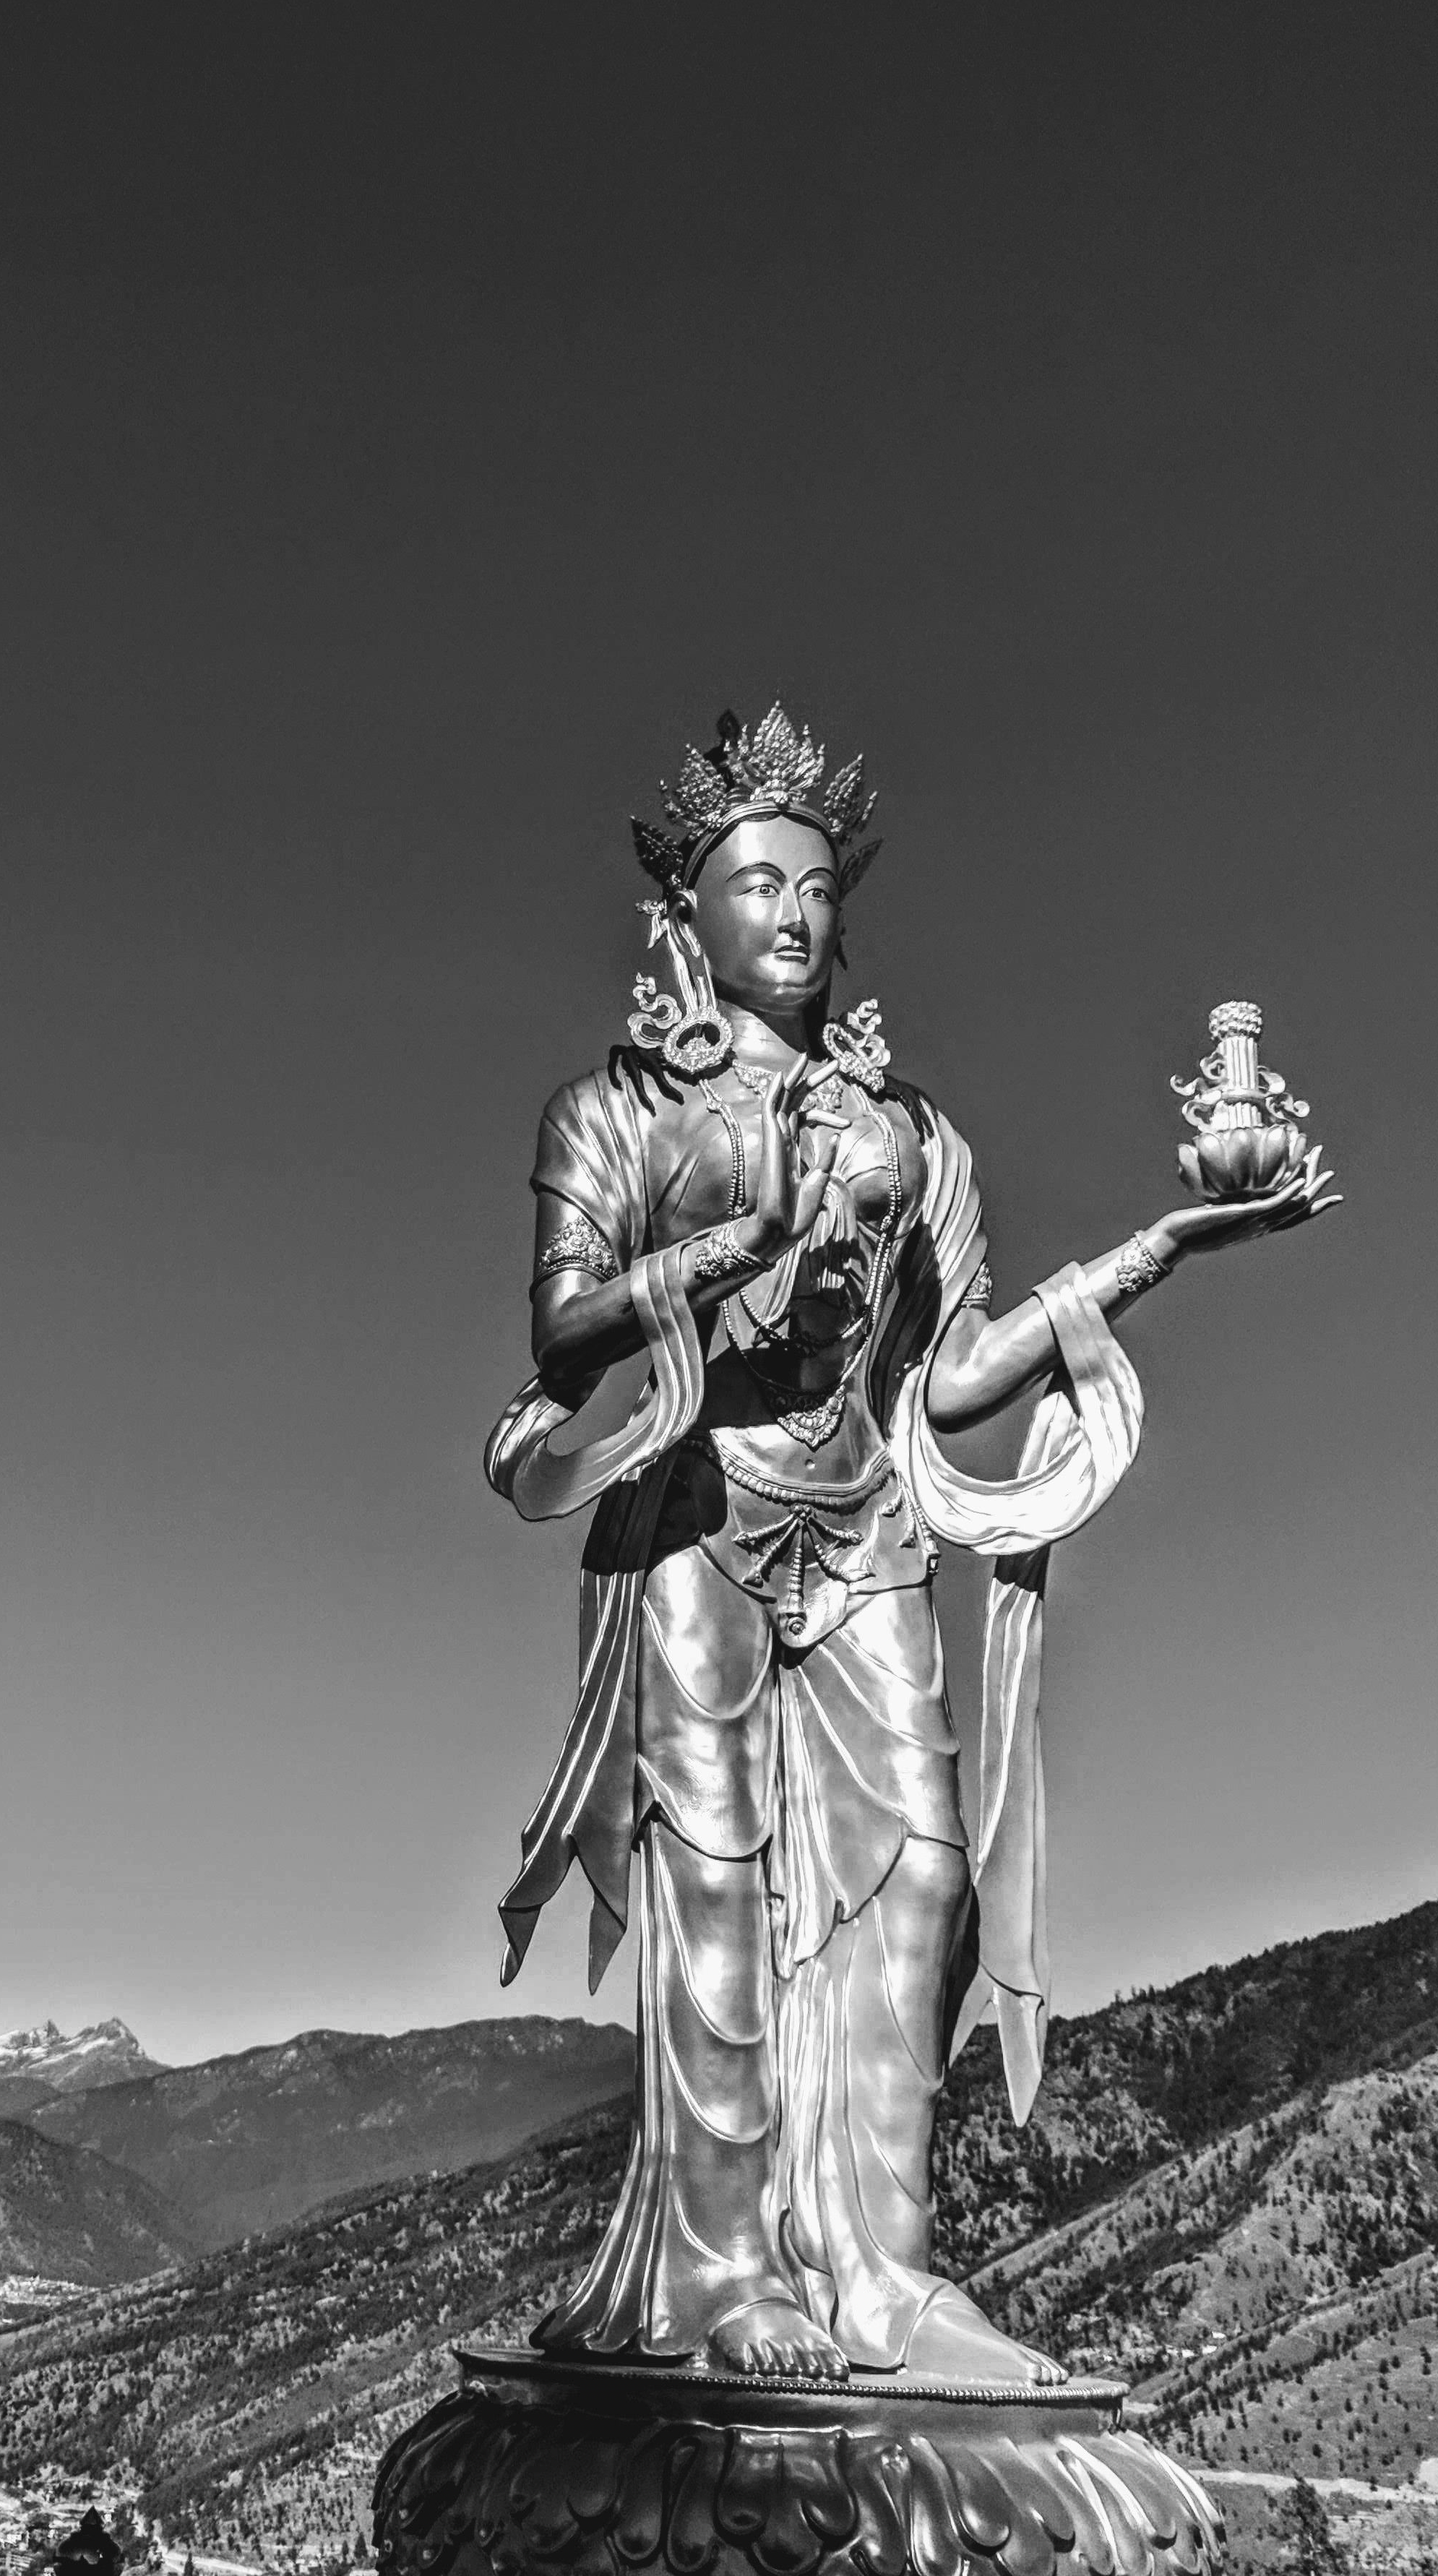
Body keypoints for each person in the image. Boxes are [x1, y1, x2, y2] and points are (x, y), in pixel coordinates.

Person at [488, 702, 1334, 2382]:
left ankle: (881, 2266)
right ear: (690, 916)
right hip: (699, 1521)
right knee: (715, 1893)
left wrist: (1164, 1246)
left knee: (921, 1877)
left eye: (816, 889)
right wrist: (744, 1235)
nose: (792, 916)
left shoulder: (920, 1133)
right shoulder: (611, 1114)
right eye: (755, 885)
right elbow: (564, 1333)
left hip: (864, 1514)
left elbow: (948, 1374)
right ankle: (722, 2268)